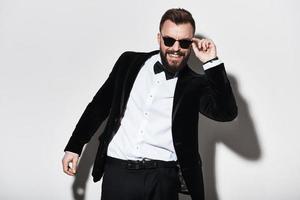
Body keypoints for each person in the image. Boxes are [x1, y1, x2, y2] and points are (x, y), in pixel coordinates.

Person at [62, 8, 237, 200]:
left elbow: (226, 113)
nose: (176, 48)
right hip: (118, 172)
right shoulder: (128, 62)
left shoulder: (195, 83)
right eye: (169, 40)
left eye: (184, 42)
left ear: (191, 43)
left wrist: (211, 62)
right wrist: (74, 146)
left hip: (163, 177)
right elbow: (99, 105)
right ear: (159, 38)